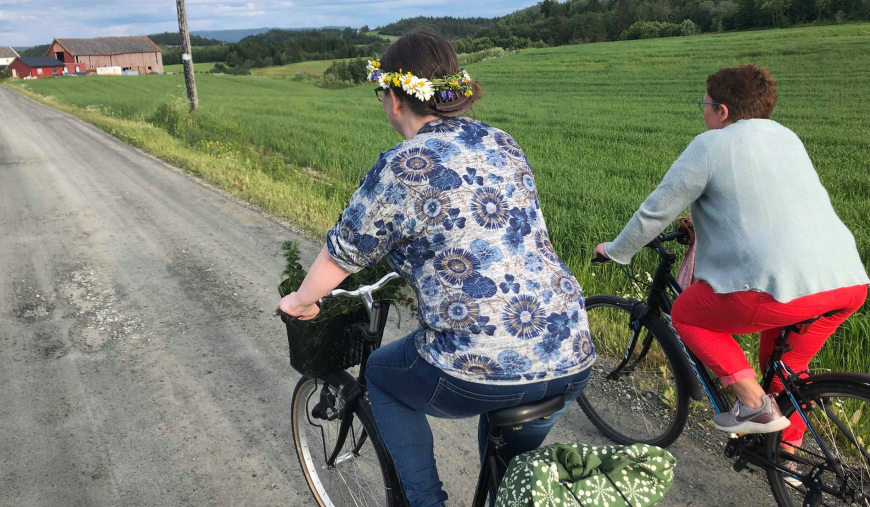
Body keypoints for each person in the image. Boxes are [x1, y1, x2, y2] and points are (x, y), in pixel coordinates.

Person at [276, 31, 594, 507]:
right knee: (508, 485)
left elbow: (341, 255)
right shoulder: (500, 140)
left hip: (481, 361)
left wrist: (300, 301)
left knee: (382, 376)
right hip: (569, 346)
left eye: (381, 92)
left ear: (395, 98)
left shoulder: (405, 164)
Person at [594, 65, 868, 450]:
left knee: (687, 313)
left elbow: (655, 213)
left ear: (722, 111)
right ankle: (787, 457)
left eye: (704, 104)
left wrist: (616, 250)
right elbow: (764, 207)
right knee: (785, 371)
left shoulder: (710, 145)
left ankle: (755, 407)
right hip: (845, 282)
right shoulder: (786, 137)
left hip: (776, 285)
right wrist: (702, 224)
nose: (702, 112)